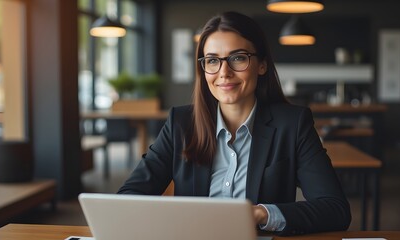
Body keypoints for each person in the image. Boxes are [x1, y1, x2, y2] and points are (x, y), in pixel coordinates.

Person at [118, 11, 351, 236]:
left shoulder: (293, 124)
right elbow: (128, 198)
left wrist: (262, 214)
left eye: (238, 58)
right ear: (204, 69)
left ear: (262, 65)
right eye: (212, 61)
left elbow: (335, 209)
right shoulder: (181, 123)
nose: (224, 72)